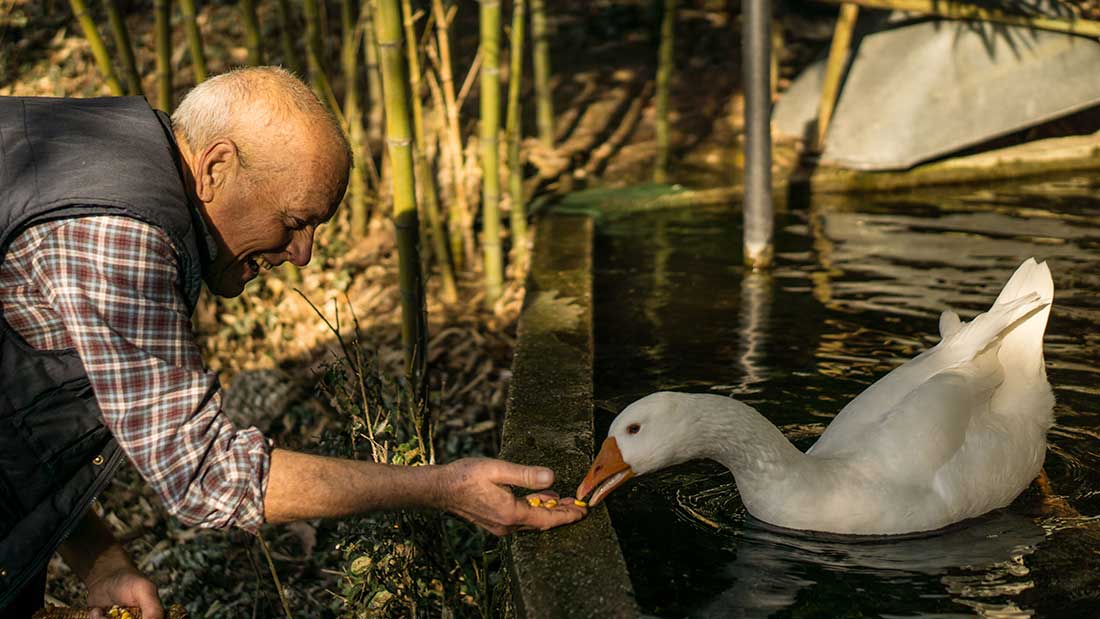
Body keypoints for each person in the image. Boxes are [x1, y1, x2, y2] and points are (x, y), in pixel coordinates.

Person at [0, 67, 586, 619]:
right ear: (216, 167)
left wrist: (98, 559)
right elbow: (204, 475)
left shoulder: (106, 163)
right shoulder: (118, 233)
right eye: (294, 221)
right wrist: (443, 487)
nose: (302, 255)